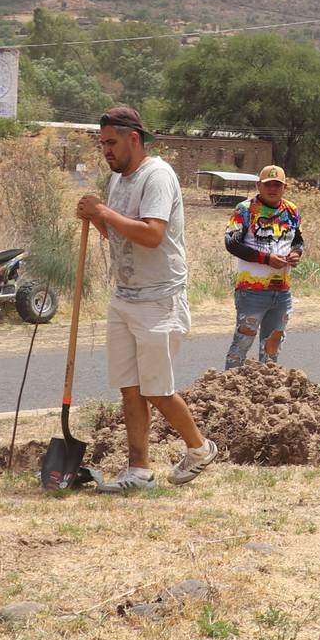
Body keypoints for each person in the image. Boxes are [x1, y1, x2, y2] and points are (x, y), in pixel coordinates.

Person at [75, 106, 219, 490]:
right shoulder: (119, 181)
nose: (105, 151)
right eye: (102, 143)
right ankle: (138, 469)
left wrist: (104, 211)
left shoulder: (157, 176)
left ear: (133, 139)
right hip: (124, 296)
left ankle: (201, 448)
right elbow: (123, 236)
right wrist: (99, 221)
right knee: (130, 387)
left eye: (111, 143)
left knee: (156, 388)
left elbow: (152, 234)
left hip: (160, 299)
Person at [223, 164, 302, 367]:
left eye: (277, 185)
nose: (272, 189)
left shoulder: (291, 210)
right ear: (258, 185)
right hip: (252, 291)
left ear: (285, 187)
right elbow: (231, 243)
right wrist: (265, 259)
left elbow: (298, 240)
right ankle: (229, 392)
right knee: (242, 344)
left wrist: (296, 253)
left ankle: (267, 391)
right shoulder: (245, 209)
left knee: (272, 347)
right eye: (268, 184)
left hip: (282, 291)